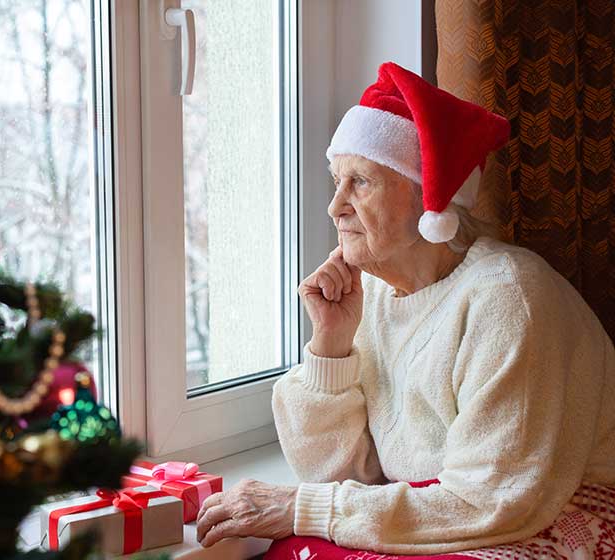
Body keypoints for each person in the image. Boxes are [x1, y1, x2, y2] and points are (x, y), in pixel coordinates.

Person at [195, 62, 615, 558]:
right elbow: (341, 474)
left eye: (361, 182)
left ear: (428, 199)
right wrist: (331, 345)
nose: (335, 207)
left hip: (551, 511)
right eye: (337, 181)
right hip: (452, 509)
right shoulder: (371, 293)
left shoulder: (509, 298)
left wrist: (306, 509)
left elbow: (495, 500)